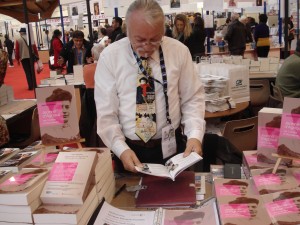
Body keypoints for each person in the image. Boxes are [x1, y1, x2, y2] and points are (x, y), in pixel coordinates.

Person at [94, 0, 205, 172]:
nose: (147, 46)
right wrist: (120, 149)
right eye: (140, 40)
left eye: (154, 40)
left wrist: (195, 135)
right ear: (128, 32)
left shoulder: (179, 51)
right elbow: (106, 113)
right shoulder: (110, 57)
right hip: (129, 149)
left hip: (172, 146)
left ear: (163, 31)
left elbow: (192, 98)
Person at [80, 44, 105, 147]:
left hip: (89, 96)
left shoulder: (86, 68)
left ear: (93, 56)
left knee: (90, 119)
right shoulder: (106, 67)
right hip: (102, 96)